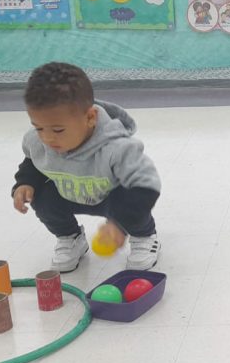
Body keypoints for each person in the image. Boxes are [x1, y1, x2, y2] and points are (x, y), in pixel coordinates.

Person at [11, 62, 162, 272]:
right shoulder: (38, 141)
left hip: (111, 196)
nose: (47, 138)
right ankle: (70, 236)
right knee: (42, 197)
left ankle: (144, 235)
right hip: (69, 191)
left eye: (58, 130)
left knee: (133, 196)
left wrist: (120, 223)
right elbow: (33, 161)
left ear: (90, 118)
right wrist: (25, 182)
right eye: (38, 128)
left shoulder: (116, 147)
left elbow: (146, 185)